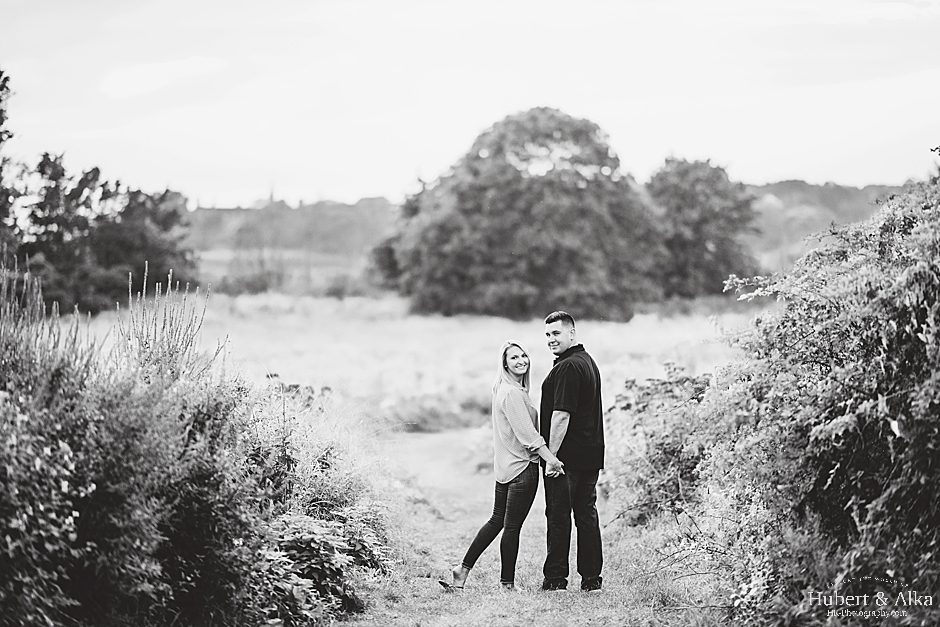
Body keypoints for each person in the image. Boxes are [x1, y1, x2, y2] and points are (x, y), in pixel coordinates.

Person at [441, 341, 565, 591]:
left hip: (506, 468)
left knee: (497, 521)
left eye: (524, 355)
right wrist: (551, 459)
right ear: (505, 363)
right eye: (514, 357)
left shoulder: (504, 389)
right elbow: (528, 436)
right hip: (521, 469)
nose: (521, 360)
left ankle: (462, 570)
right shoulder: (512, 393)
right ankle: (506, 583)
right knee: (511, 527)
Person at [539, 311, 604, 592]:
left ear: (572, 334)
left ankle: (555, 580)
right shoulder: (587, 362)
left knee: (559, 516)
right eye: (547, 335)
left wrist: (551, 457)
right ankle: (591, 580)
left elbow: (561, 415)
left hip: (565, 460)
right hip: (590, 455)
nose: (551, 339)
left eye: (556, 333)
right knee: (586, 516)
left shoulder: (567, 367)